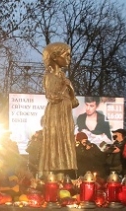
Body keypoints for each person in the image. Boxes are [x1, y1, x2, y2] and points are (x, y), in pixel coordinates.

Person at [38, 42, 79, 175]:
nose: (69, 58)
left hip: (65, 115)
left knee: (66, 140)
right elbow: (52, 97)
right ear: (55, 57)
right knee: (56, 141)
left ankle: (66, 167)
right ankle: (55, 168)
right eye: (66, 55)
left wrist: (70, 88)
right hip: (56, 114)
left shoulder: (63, 78)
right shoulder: (50, 76)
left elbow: (74, 103)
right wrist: (63, 88)